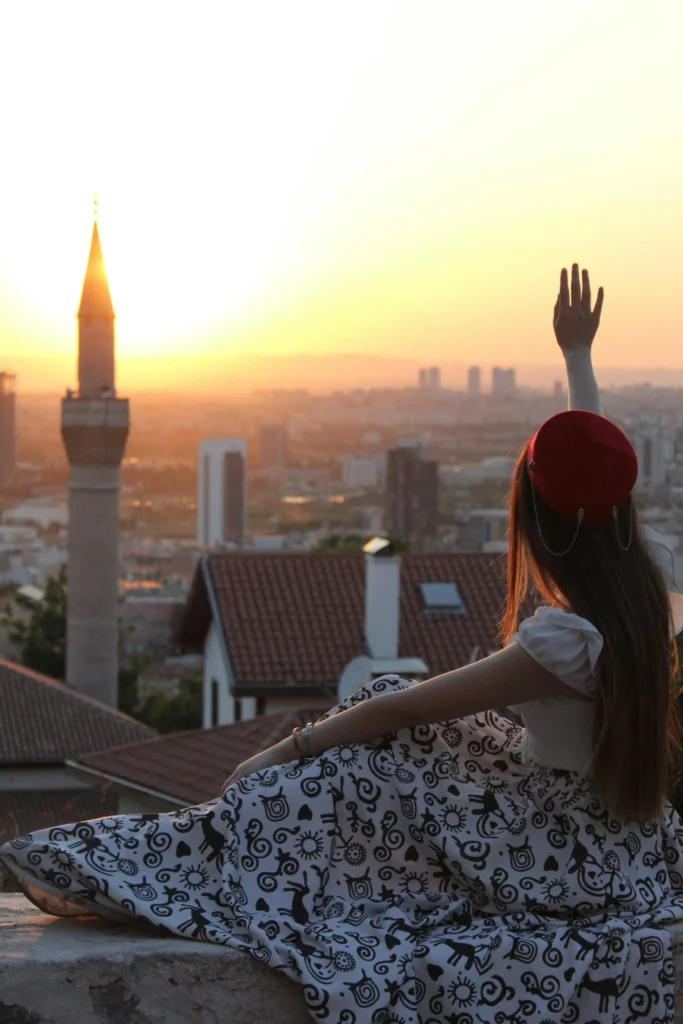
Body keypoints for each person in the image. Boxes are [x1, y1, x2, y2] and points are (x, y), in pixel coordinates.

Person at [2, 265, 683, 1024]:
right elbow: (592, 484)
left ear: (537, 518)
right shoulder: (642, 578)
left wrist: (282, 751)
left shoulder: (562, 641)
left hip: (557, 853)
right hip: (620, 838)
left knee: (366, 737)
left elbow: (405, 707)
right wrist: (577, 357)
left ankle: (172, 862)